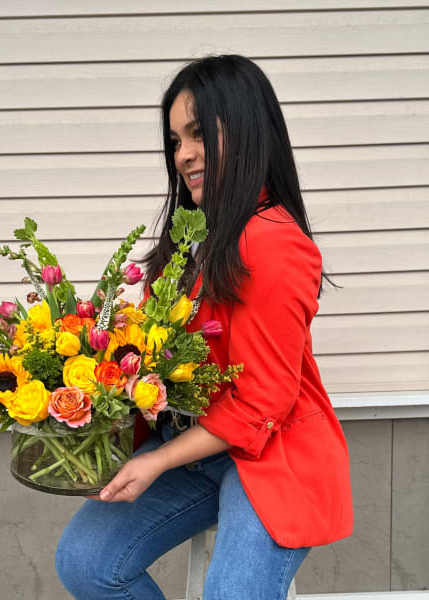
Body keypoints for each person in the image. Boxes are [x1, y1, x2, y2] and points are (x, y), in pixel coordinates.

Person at [55, 54, 353, 600]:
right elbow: (159, 357)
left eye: (197, 134)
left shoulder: (272, 242)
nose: (183, 154)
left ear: (246, 131)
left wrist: (159, 462)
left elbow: (264, 401)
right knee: (85, 562)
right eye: (175, 141)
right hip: (191, 443)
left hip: (268, 451)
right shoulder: (193, 234)